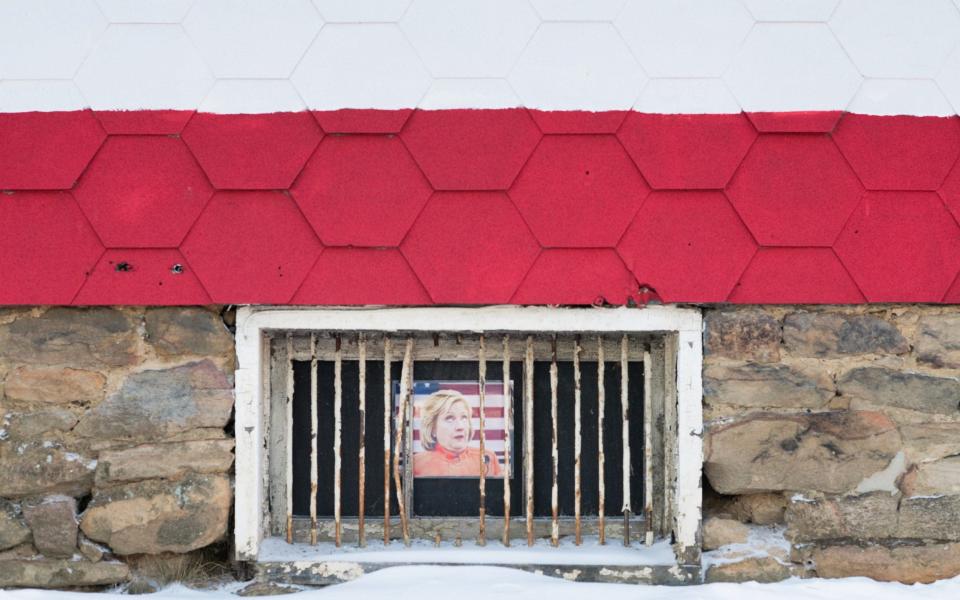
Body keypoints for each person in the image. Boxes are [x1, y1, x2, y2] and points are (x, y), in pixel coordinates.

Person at [413, 389, 502, 478]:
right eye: (449, 418)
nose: (460, 427)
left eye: (464, 417)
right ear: (432, 428)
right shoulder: (415, 464)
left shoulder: (488, 458)